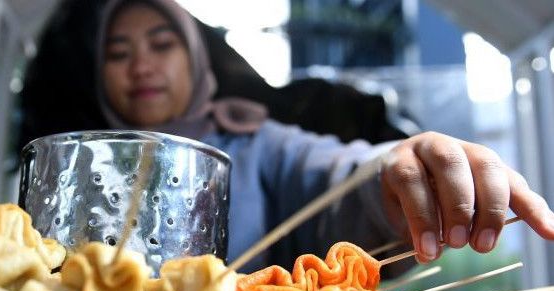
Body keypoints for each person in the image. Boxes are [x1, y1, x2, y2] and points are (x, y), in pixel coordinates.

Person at [94, 0, 554, 274]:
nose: (142, 67)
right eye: (119, 52)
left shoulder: (257, 144)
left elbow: (339, 174)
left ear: (195, 59)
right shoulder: (81, 164)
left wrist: (398, 170)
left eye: (162, 44)